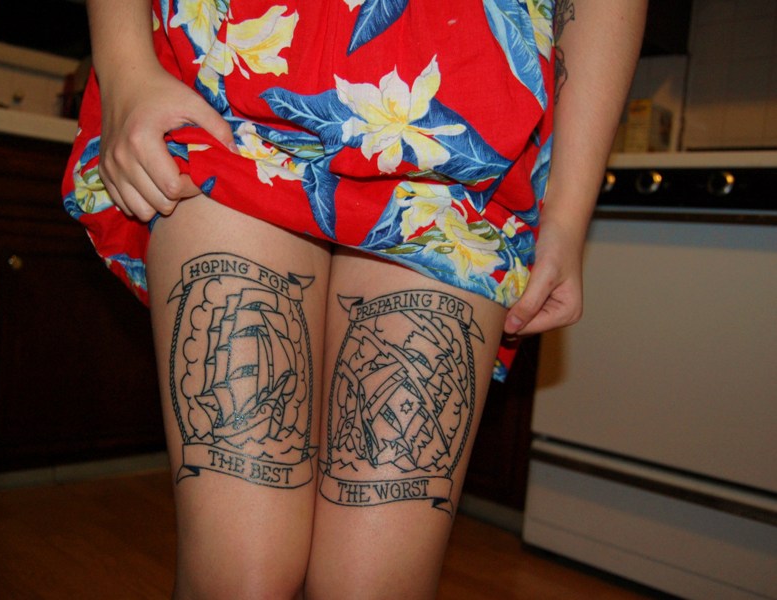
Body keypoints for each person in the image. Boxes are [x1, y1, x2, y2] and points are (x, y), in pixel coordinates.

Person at [62, 1, 647, 598]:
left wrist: (569, 211)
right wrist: (125, 67)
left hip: (456, 137)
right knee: (237, 578)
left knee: (370, 587)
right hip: (235, 90)